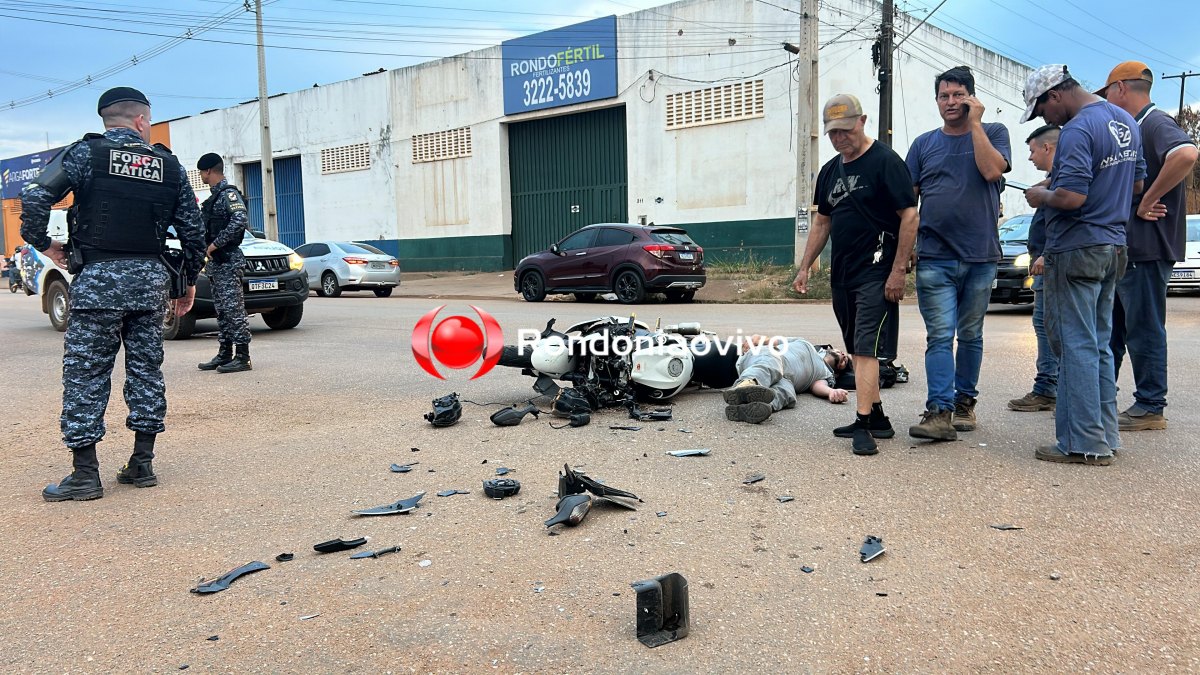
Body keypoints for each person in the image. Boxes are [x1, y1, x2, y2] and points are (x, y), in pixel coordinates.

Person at [20, 86, 206, 501]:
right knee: (146, 371)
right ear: (141, 120)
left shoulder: (85, 155)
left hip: (98, 283)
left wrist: (44, 244)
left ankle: (85, 475)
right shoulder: (169, 167)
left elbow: (34, 195)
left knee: (85, 375)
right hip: (148, 284)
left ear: (108, 119)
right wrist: (187, 279)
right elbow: (193, 231)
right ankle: (142, 464)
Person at [1022, 64, 1146, 466]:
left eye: (1042, 110)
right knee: (1098, 343)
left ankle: (1081, 443)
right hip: (1113, 245)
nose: (1045, 119)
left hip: (1076, 247)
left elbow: (1072, 197)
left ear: (1055, 95)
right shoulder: (1124, 119)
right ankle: (1105, 436)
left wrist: (1043, 195)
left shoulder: (1077, 129)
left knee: (1073, 345)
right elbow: (1138, 184)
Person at [792, 94, 919, 456]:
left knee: (866, 346)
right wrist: (804, 267)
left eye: (845, 130)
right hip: (843, 273)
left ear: (862, 121)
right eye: (833, 133)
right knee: (856, 346)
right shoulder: (831, 170)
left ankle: (863, 422)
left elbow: (910, 217)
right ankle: (878, 415)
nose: (839, 139)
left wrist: (897, 272)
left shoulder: (886, 162)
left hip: (877, 272)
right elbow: (822, 221)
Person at [905, 66, 1011, 442]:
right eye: (943, 96)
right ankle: (940, 411)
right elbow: (907, 203)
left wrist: (977, 125)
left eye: (958, 95)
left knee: (970, 335)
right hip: (934, 257)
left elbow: (990, 171)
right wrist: (903, 254)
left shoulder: (994, 133)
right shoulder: (922, 145)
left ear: (971, 98)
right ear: (936, 101)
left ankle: (965, 403)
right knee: (938, 336)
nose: (950, 102)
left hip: (981, 257)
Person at [1098, 61, 1199, 432]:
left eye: (1107, 92)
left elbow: (1187, 154)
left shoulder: (1154, 123)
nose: (1106, 100)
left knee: (1144, 328)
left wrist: (1146, 200)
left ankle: (1150, 405)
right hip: (1131, 248)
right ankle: (1102, 398)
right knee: (1114, 331)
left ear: (1121, 89)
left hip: (1148, 247)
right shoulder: (1135, 128)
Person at [1008, 125, 1061, 413]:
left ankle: (1054, 387)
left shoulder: (1062, 184)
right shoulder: (1052, 182)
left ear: (1047, 148)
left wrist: (1046, 254)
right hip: (1043, 265)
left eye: (1032, 150)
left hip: (1052, 265)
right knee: (1043, 326)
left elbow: (1063, 224)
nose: (1030, 157)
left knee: (1053, 328)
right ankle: (1047, 387)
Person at [195, 153, 253, 373]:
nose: (201, 176)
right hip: (217, 264)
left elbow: (240, 220)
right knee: (222, 310)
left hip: (228, 260)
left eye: (202, 172)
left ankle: (243, 356)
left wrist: (214, 245)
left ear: (209, 171)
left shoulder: (228, 195)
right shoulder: (214, 197)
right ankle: (225, 352)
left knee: (233, 309)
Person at [722, 337, 852, 424]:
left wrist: (831, 392)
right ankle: (745, 385)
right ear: (829, 348)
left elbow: (817, 386)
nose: (844, 356)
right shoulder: (805, 343)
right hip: (770, 356)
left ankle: (749, 407)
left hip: (787, 380)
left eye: (846, 361)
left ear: (838, 373)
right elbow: (771, 341)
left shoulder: (826, 374)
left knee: (788, 393)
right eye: (842, 352)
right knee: (772, 362)